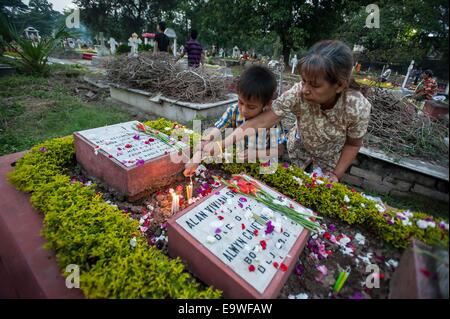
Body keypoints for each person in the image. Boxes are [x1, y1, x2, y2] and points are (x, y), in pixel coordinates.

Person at [198, 40, 372, 182]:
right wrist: (219, 145)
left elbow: (353, 144)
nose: (305, 89)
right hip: (297, 153)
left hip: (329, 161)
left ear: (339, 85)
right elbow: (262, 121)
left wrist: (335, 174)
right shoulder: (298, 92)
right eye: (303, 81)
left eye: (314, 85)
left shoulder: (357, 107)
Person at [184, 65, 287, 176]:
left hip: (262, 164)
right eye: (240, 102)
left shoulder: (271, 122)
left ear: (267, 104)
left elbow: (279, 150)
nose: (243, 110)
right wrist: (203, 145)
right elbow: (217, 129)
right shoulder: (234, 111)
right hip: (239, 160)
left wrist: (257, 153)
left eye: (251, 107)